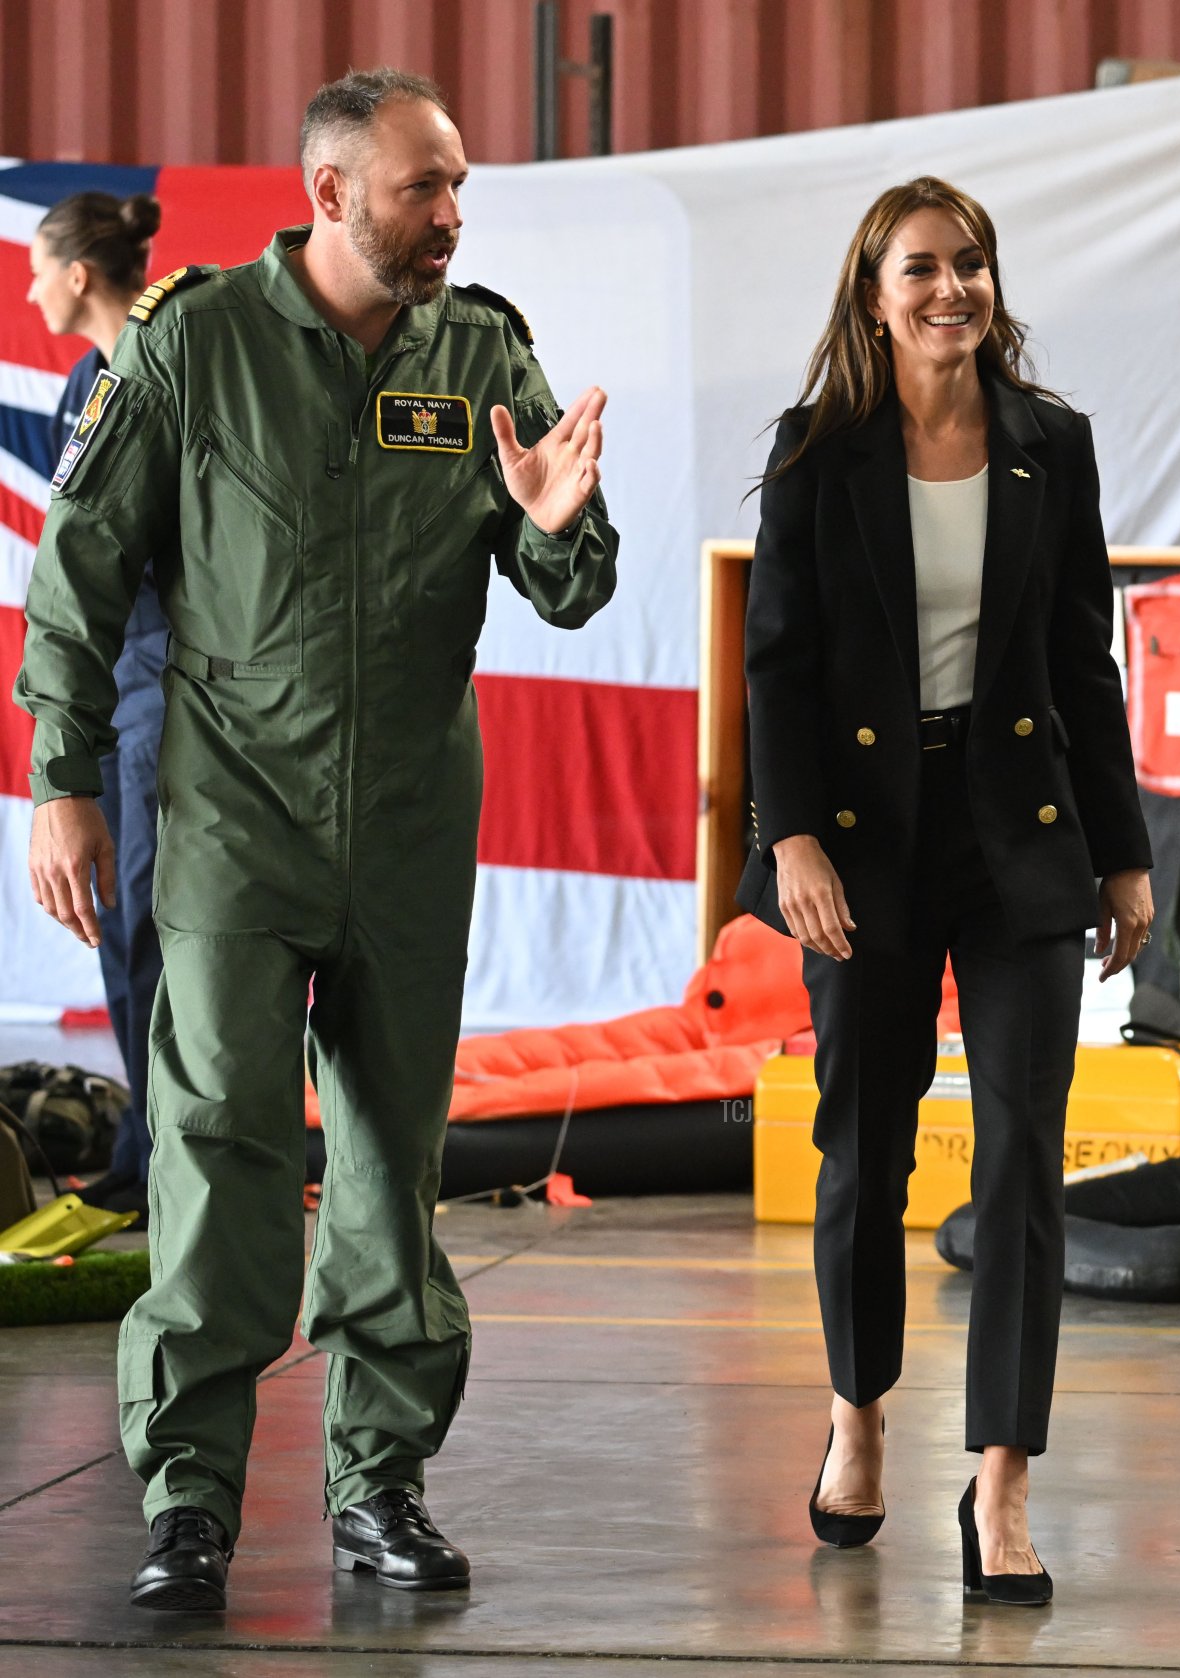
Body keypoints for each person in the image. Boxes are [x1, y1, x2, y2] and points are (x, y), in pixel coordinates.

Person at [15, 67, 617, 1611]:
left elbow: (571, 581)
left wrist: (557, 529)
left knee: (389, 1159)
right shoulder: (194, 348)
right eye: (427, 188)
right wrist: (62, 779)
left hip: (413, 819)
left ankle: (379, 1483)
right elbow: (82, 573)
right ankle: (194, 1498)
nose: (453, 214)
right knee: (219, 1146)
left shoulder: (484, 352)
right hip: (231, 822)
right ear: (334, 193)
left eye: (459, 186)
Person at [736, 177, 1152, 1606]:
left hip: (1018, 828)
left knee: (1024, 1159)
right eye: (920, 269)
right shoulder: (818, 453)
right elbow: (775, 665)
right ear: (873, 295)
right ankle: (857, 1421)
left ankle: (1001, 1482)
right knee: (865, 1142)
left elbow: (1084, 659)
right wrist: (791, 841)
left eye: (969, 264)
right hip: (861, 840)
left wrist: (1125, 848)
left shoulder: (1054, 445)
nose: (951, 290)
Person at [26, 191, 169, 1230]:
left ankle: (178, 1157)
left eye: (38, 267)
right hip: (111, 692)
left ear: (81, 274)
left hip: (165, 685)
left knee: (160, 930)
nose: (28, 287)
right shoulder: (84, 378)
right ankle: (140, 1150)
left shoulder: (164, 366)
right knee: (123, 931)